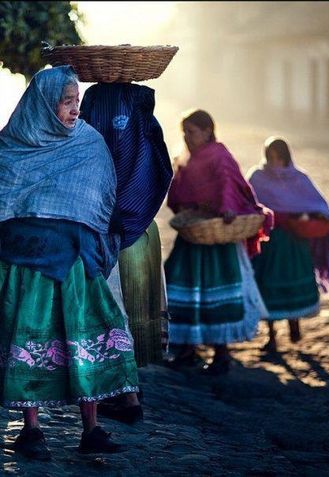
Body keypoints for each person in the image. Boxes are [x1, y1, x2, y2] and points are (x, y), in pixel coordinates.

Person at [0, 66, 140, 460]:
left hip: (78, 264)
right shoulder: (12, 145)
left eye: (77, 101)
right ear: (44, 104)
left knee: (83, 340)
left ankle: (92, 427)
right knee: (29, 339)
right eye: (66, 102)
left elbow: (100, 199)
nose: (74, 109)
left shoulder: (89, 143)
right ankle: (32, 430)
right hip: (27, 265)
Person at [80, 83, 173, 423]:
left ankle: (125, 394)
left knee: (110, 313)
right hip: (143, 230)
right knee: (130, 312)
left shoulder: (89, 139)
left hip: (106, 235)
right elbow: (159, 175)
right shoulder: (146, 128)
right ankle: (129, 392)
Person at [165, 109, 272, 375]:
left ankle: (221, 353)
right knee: (184, 289)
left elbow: (228, 184)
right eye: (184, 132)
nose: (187, 138)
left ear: (207, 131)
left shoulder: (220, 155)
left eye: (192, 132)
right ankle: (187, 349)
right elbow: (178, 190)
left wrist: (226, 208)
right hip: (194, 233)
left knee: (217, 290)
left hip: (218, 237)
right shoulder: (188, 159)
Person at [247, 137, 329, 352]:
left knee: (294, 281)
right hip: (269, 242)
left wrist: (315, 218)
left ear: (286, 157)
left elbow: (317, 204)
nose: (275, 162)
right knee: (267, 285)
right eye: (271, 157)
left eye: (279, 157)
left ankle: (295, 324)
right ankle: (272, 335)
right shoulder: (257, 177)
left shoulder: (299, 178)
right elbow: (248, 203)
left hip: (294, 243)